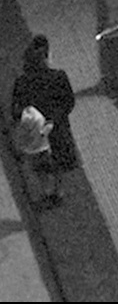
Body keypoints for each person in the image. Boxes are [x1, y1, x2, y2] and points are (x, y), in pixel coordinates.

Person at [11, 35, 76, 202]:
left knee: (40, 163)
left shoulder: (22, 82)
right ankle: (58, 190)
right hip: (56, 126)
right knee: (60, 160)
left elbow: (16, 109)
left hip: (34, 130)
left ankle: (46, 191)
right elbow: (68, 101)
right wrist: (55, 118)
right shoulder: (59, 76)